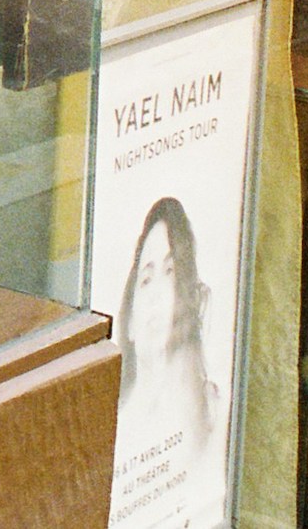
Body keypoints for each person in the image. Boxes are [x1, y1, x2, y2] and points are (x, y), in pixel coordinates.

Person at [115, 196, 224, 514]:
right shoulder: (115, 426)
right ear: (129, 321)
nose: (158, 294)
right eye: (146, 279)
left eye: (171, 271)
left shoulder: (214, 412)